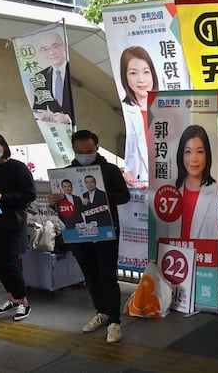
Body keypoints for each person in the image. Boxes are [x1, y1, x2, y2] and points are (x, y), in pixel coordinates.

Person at [49, 130, 130, 342]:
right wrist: (54, 201)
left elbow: (124, 196)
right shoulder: (66, 174)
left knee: (108, 276)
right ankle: (101, 312)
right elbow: (64, 210)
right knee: (91, 276)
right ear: (74, 150)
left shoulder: (110, 170)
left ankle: (114, 321)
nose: (85, 155)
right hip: (79, 234)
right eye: (80, 151)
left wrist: (103, 197)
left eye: (89, 151)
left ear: (97, 148)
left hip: (106, 232)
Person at [0, 133, 36, 321]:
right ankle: (12, 298)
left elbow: (29, 194)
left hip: (10, 223)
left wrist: (4, 197)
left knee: (8, 263)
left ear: (3, 145)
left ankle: (23, 303)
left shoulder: (18, 168)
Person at [158, 125, 218, 240]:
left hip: (204, 256)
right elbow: (160, 235)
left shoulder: (216, 191)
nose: (193, 158)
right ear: (181, 154)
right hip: (174, 256)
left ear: (207, 155)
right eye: (188, 152)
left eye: (200, 151)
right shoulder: (168, 190)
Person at [119, 46, 158, 189]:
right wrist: (124, 171)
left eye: (146, 72)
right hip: (138, 189)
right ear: (125, 77)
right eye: (133, 73)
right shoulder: (123, 110)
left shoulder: (169, 109)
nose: (141, 79)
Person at [31, 32, 74, 125]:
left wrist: (68, 118)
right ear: (40, 53)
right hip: (57, 131)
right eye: (45, 49)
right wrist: (42, 115)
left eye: (55, 46)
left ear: (64, 46)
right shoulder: (40, 76)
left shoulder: (74, 71)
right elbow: (39, 107)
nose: (51, 53)